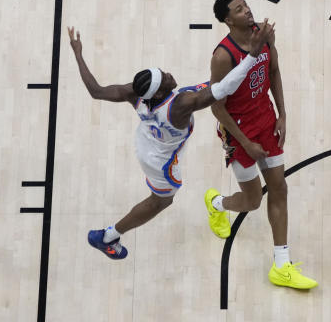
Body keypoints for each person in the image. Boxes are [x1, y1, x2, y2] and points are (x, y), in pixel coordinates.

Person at [66, 21, 274, 260]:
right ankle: (108, 236)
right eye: (165, 79)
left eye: (163, 72)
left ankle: (109, 235)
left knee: (198, 90)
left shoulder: (135, 92)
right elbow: (224, 87)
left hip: (147, 139)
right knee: (162, 201)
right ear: (159, 93)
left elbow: (96, 90)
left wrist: (78, 52)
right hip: (160, 160)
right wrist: (252, 56)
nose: (169, 75)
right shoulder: (181, 105)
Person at [204, 0, 317, 290]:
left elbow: (275, 71)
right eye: (239, 9)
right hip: (238, 131)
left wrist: (282, 116)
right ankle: (217, 203)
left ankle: (281, 264)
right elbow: (217, 107)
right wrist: (246, 142)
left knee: (279, 187)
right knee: (253, 201)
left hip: (266, 120)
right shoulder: (223, 57)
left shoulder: (263, 35)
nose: (247, 10)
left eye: (246, 5)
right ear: (228, 20)